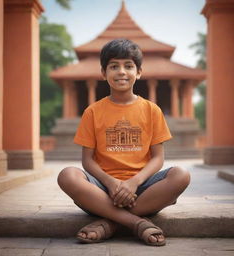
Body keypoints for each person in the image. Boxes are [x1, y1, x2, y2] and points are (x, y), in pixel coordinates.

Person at [57, 38, 190, 246]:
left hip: (143, 188)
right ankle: (136, 222)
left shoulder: (151, 110)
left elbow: (158, 158)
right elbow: (87, 161)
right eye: (113, 66)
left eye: (128, 66)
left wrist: (133, 183)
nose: (121, 71)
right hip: (101, 190)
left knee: (181, 175)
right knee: (67, 175)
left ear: (138, 72)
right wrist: (111, 183)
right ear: (103, 73)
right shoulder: (93, 112)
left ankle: (109, 222)